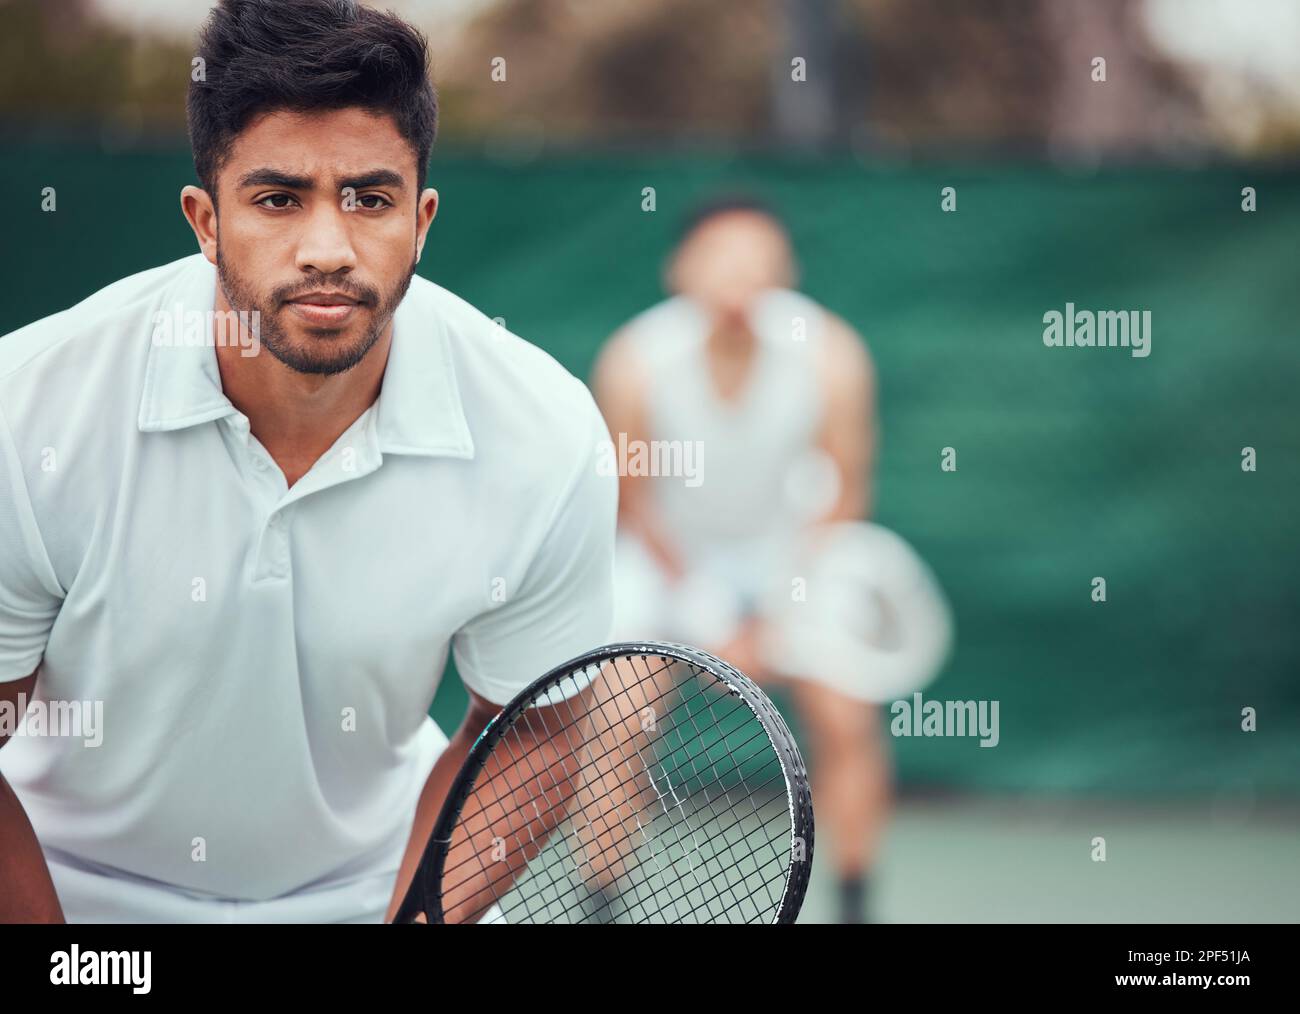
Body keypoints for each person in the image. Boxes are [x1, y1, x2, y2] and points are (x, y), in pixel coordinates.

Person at [0, 0, 616, 923]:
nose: (328, 248)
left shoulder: (547, 431)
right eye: (278, 198)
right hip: (73, 893)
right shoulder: (29, 406)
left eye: (371, 198)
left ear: (423, 219)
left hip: (371, 899)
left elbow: (535, 727)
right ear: (206, 221)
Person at [593, 196, 894, 923]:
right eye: (721, 259)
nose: (740, 277)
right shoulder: (635, 359)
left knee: (847, 716)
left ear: (784, 271)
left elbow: (846, 493)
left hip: (795, 559)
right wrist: (706, 611)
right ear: (680, 270)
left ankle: (855, 907)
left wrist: (770, 613)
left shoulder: (833, 353)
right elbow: (630, 504)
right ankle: (598, 907)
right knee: (616, 719)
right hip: (664, 562)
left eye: (758, 261)